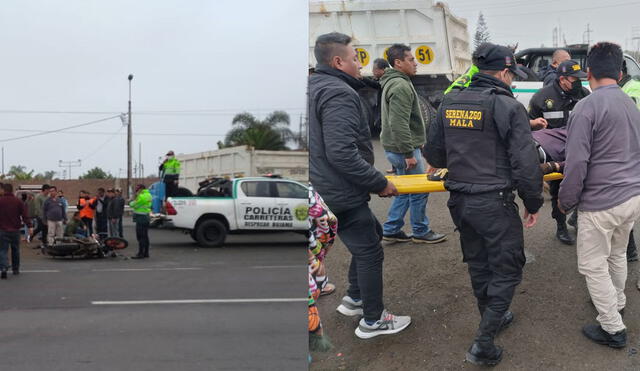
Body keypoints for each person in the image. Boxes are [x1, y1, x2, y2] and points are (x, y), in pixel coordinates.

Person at [426, 43, 544, 366]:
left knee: (479, 264)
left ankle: (493, 316)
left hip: (461, 203)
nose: (513, 82)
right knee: (507, 269)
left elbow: (434, 155)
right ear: (504, 73)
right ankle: (483, 342)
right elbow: (525, 163)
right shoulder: (507, 107)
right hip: (495, 203)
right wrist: (533, 203)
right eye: (512, 76)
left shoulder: (449, 102)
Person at [309, 32, 410, 339]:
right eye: (356, 58)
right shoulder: (338, 93)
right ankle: (373, 320)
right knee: (369, 250)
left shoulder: (314, 86)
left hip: (325, 188)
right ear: (338, 61)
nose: (360, 64)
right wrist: (379, 182)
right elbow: (341, 152)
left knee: (372, 233)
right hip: (338, 191)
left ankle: (354, 298)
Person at [558, 42, 640, 349]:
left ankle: (613, 328)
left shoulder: (587, 107)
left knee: (592, 265)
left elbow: (576, 162)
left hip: (601, 202)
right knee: (617, 254)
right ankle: (616, 302)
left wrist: (566, 200)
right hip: (632, 196)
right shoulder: (631, 103)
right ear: (620, 73)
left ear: (588, 72)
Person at [379, 43, 446, 244]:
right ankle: (421, 231)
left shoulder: (395, 82)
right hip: (402, 151)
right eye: (411, 59)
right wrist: (409, 152)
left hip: (397, 149)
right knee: (419, 191)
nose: (415, 63)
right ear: (398, 63)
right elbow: (398, 123)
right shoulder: (400, 86)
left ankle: (391, 229)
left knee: (405, 190)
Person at [529, 60, 590, 245]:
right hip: (554, 152)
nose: (579, 83)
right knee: (557, 191)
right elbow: (530, 132)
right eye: (575, 79)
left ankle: (577, 219)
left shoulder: (584, 95)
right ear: (562, 79)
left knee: (584, 186)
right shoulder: (542, 98)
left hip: (578, 151)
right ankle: (561, 226)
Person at [0, 183, 32, 278]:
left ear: (4, 190)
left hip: (2, 230)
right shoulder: (18, 201)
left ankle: (4, 267)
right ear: (11, 190)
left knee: (3, 250)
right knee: (15, 250)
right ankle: (15, 269)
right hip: (15, 230)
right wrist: (30, 226)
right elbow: (25, 215)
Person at [130, 184, 152, 259]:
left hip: (141, 218)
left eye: (137, 189)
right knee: (145, 236)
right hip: (145, 217)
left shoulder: (142, 196)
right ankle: (146, 253)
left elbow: (134, 205)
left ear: (141, 189)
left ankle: (141, 253)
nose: (136, 191)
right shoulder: (148, 194)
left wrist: (131, 202)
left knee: (140, 236)